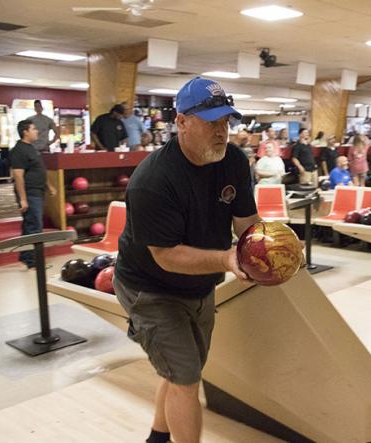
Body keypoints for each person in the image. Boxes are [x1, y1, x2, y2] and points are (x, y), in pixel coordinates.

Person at [113, 77, 260, 443]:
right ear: (181, 122)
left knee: (181, 372)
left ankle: (157, 439)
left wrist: (269, 249)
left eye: (227, 122)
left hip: (199, 283)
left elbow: (246, 223)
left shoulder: (234, 162)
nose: (222, 132)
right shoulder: (153, 180)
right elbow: (167, 256)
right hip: (150, 288)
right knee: (187, 378)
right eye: (212, 122)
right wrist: (228, 259)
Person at [9, 120, 57, 269]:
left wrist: (49, 186)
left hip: (37, 192)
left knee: (30, 225)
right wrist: (23, 199)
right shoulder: (18, 150)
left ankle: (26, 256)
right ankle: (33, 261)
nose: (37, 131)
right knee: (35, 227)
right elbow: (18, 175)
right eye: (33, 129)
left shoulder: (31, 148)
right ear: (25, 132)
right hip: (29, 194)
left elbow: (39, 169)